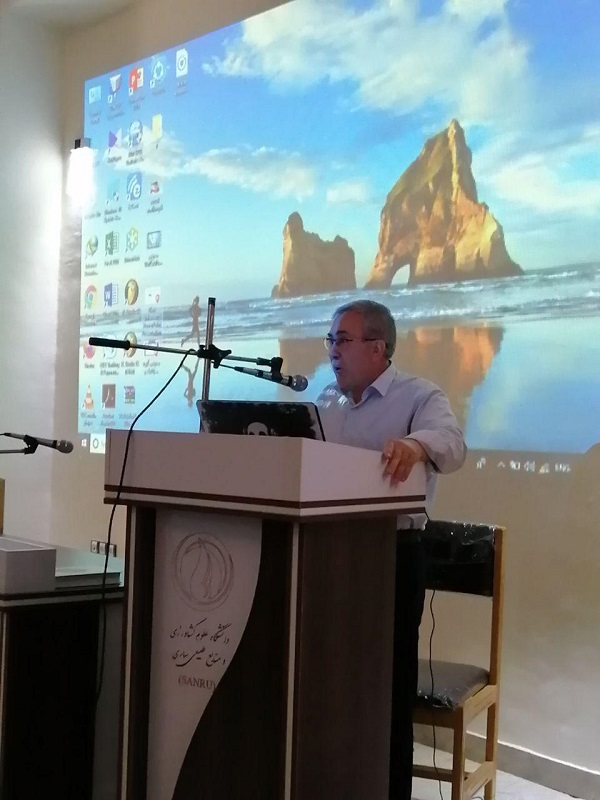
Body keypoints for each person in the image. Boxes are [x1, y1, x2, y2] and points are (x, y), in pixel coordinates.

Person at [316, 299, 466, 800]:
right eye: (330, 340)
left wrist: (416, 446)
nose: (333, 351)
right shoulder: (326, 402)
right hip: (324, 553)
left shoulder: (418, 395)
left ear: (378, 348)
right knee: (327, 680)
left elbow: (452, 444)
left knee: (385, 689)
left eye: (343, 340)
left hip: (390, 557)